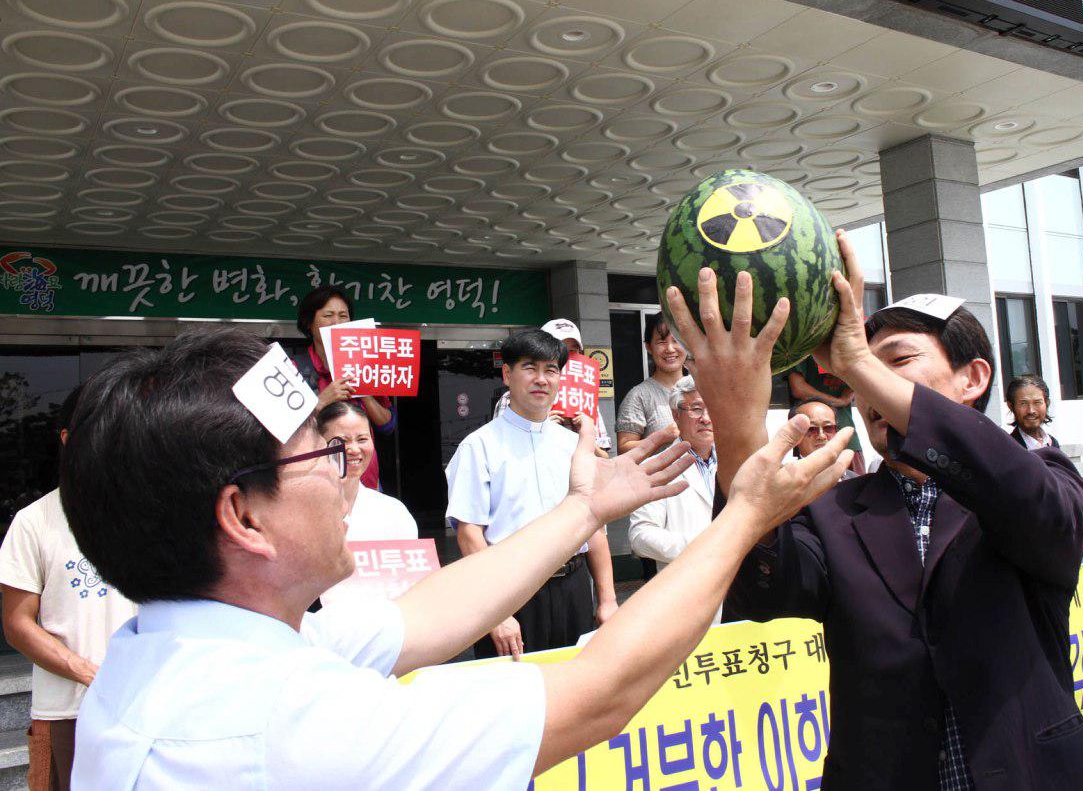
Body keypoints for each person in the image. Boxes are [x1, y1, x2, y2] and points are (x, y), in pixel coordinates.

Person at [61, 327, 853, 789]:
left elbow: (426, 612)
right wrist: (745, 516)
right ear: (243, 517)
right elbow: (598, 690)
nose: (349, 478)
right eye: (325, 457)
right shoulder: (293, 726)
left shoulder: (174, 651)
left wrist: (587, 506)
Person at [666, 233, 1083, 790]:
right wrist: (736, 423)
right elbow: (764, 591)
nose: (869, 387)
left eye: (895, 362)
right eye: (858, 376)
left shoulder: (1042, 475)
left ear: (973, 378)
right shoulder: (833, 510)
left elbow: (1028, 501)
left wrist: (853, 359)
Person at [447, 329, 617, 658]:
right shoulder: (479, 446)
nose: (541, 379)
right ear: (507, 374)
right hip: (511, 590)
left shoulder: (575, 445)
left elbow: (594, 526)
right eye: (529, 368)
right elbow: (470, 534)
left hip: (573, 586)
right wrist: (497, 611)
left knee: (575, 692)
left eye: (551, 370)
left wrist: (608, 598)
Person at [0, 386, 136, 791]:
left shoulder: (147, 513)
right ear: (67, 439)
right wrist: (85, 671)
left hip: (142, 702)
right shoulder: (34, 521)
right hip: (67, 710)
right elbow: (17, 623)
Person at [292, 285, 395, 489]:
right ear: (309, 323)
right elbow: (283, 429)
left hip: (366, 482)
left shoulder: (369, 364)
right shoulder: (294, 367)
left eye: (343, 316)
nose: (337, 323)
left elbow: (388, 425)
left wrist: (363, 391)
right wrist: (321, 401)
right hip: (315, 482)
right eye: (328, 315)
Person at [317, 401, 418, 608]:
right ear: (318, 446)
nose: (354, 449)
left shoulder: (393, 512)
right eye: (342, 440)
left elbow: (410, 586)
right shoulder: (298, 513)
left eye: (362, 439)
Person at [628, 376, 716, 574]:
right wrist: (701, 548)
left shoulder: (736, 462)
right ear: (676, 415)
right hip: (687, 583)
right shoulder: (655, 468)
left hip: (740, 589)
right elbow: (640, 536)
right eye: (696, 409)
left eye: (713, 407)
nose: (707, 418)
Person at [494, 318, 611, 458]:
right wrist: (540, 426)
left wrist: (585, 436)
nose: (567, 358)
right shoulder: (514, 398)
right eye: (562, 351)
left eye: (573, 352)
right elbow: (501, 450)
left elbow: (604, 458)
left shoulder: (586, 400)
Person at [615, 314, 685, 452]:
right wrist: (661, 437)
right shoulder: (639, 396)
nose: (670, 349)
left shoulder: (703, 388)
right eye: (661, 342)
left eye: (676, 340)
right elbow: (624, 449)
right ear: (648, 347)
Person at [789, 354, 866, 472]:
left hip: (849, 440)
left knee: (856, 485)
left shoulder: (851, 347)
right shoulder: (800, 348)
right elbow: (798, 388)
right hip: (809, 440)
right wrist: (839, 401)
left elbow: (868, 376)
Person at [791, 400, 860, 480]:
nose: (821, 436)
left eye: (828, 428)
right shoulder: (784, 482)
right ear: (794, 435)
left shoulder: (856, 481)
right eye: (811, 429)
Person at [1006, 374, 1060, 450]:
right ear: (1011, 406)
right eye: (1023, 403)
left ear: (1047, 403)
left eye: (1037, 402)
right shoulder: (1008, 448)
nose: (1031, 411)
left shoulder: (1053, 443)